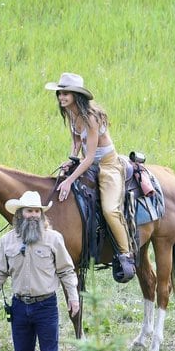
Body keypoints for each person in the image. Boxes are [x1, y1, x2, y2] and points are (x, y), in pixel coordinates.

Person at [0, 190, 79, 351]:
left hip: (46, 305)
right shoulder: (6, 241)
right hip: (19, 305)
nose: (34, 215)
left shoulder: (54, 239)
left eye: (37, 211)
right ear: (20, 214)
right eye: (29, 211)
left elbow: (66, 271)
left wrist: (73, 298)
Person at [45, 72, 135, 281]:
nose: (62, 98)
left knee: (110, 209)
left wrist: (69, 180)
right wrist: (71, 158)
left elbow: (91, 157)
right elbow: (77, 142)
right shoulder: (71, 114)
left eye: (66, 94)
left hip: (107, 165)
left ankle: (125, 253)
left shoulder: (91, 118)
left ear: (77, 95)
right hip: (89, 163)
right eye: (60, 94)